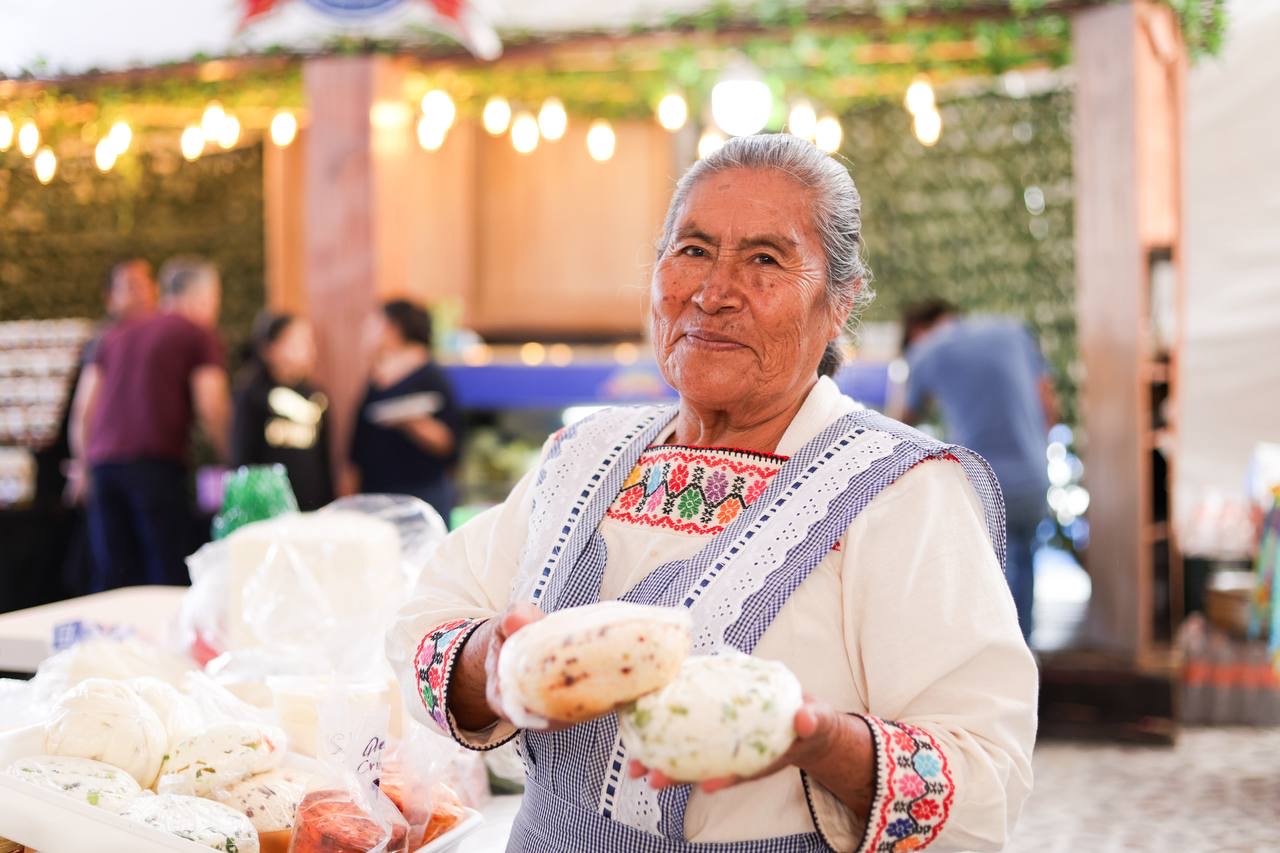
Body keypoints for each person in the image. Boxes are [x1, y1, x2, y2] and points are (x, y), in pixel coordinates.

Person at [388, 135, 1036, 852]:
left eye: (765, 260)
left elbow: (986, 778)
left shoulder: (903, 492)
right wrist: (491, 663)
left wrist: (818, 739)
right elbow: (424, 621)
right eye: (693, 250)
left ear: (839, 303)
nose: (713, 292)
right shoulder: (582, 455)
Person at [900, 299, 1059, 644]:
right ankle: (1025, 655)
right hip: (1033, 479)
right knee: (1024, 569)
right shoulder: (1012, 332)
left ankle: (992, 661)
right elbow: (1049, 407)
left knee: (986, 581)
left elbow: (896, 429)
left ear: (916, 331)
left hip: (979, 484)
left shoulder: (927, 350)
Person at [77, 256, 232, 591]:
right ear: (203, 296)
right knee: (164, 576)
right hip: (155, 467)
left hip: (103, 469)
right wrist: (233, 460)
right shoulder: (196, 332)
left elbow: (83, 411)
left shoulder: (114, 335)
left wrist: (84, 468)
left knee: (113, 577)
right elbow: (212, 406)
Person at [349, 300, 463, 525]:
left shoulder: (430, 375)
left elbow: (451, 443)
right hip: (377, 493)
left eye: (374, 324)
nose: (367, 332)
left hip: (421, 494)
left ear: (394, 329)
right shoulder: (377, 376)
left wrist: (412, 422)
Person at [231, 312, 334, 511]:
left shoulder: (317, 396)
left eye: (308, 342)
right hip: (268, 507)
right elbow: (243, 457)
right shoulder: (253, 395)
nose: (307, 350)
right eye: (296, 343)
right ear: (269, 349)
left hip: (311, 505)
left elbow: (325, 460)